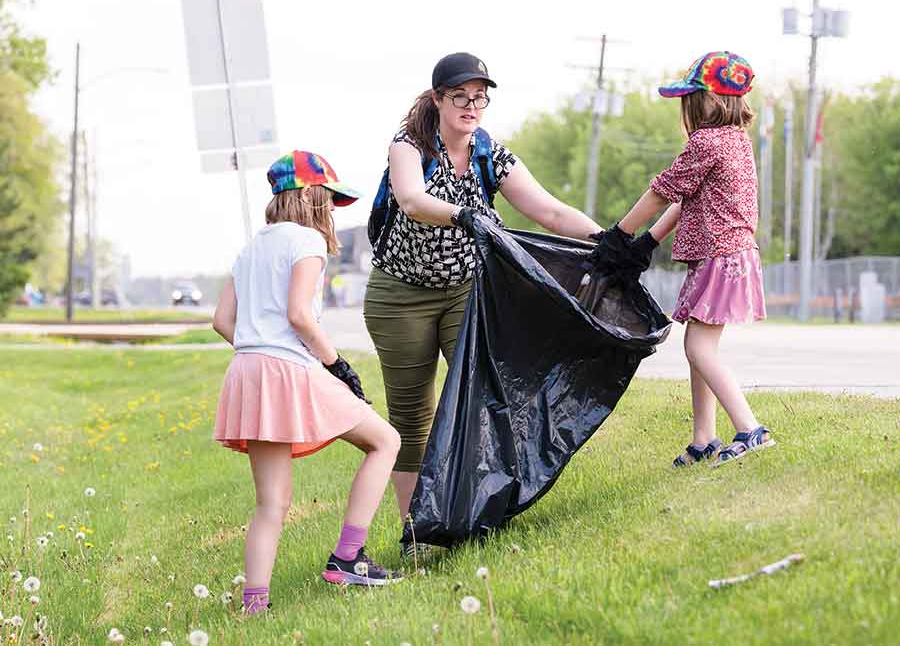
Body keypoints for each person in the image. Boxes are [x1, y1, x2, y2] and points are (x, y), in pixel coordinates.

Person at [363, 52, 605, 553]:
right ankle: (417, 534)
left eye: (479, 98)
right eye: (460, 97)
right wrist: (463, 215)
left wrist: (607, 240)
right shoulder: (408, 145)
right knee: (412, 416)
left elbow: (549, 212)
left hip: (466, 292)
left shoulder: (490, 154)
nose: (471, 106)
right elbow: (410, 199)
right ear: (438, 99)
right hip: (400, 296)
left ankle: (478, 513)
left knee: (487, 397)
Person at [212, 151, 403, 613]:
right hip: (287, 369)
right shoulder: (308, 241)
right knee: (385, 441)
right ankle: (349, 557)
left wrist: (259, 344)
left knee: (271, 503)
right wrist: (337, 365)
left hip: (247, 370)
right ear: (309, 195)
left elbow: (221, 321)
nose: (331, 208)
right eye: (328, 197)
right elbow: (300, 314)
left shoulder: (251, 247)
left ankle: (254, 607)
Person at [612, 51, 775, 468]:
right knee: (698, 348)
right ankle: (704, 438)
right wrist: (648, 241)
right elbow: (687, 198)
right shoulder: (736, 141)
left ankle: (751, 430)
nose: (685, 109)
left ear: (709, 100)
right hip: (726, 256)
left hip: (721, 256)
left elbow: (664, 190)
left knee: (699, 348)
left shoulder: (707, 142)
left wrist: (620, 234)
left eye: (690, 99)